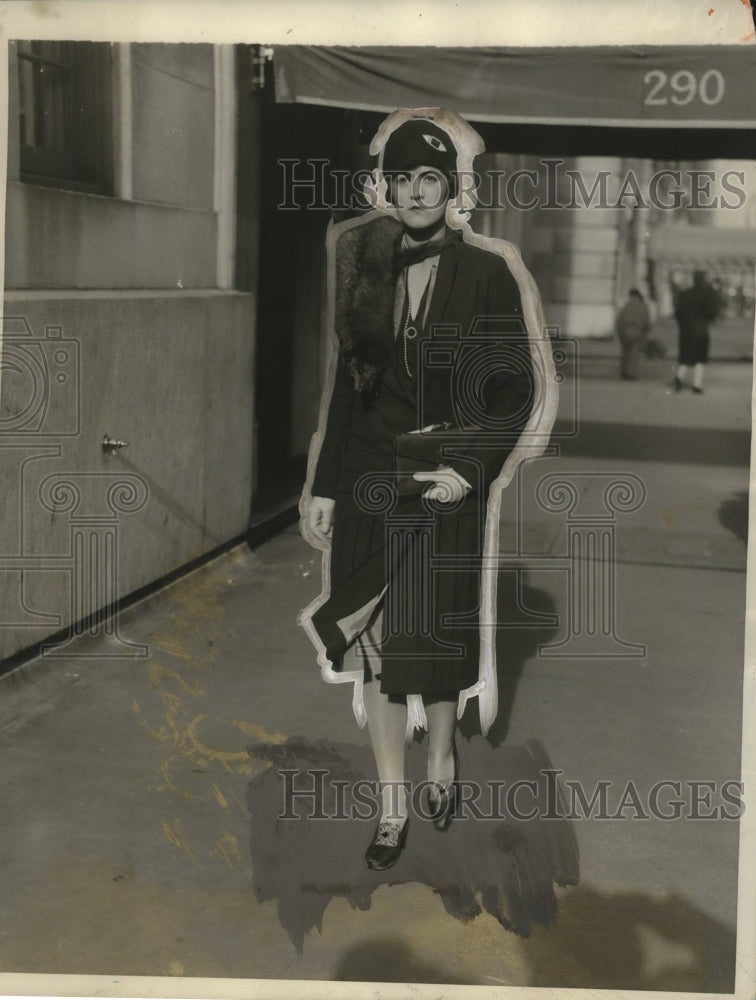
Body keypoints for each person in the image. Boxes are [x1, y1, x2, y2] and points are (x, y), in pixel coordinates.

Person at [298, 108, 556, 871]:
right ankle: (391, 806)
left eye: (429, 179)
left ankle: (440, 755)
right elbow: (347, 388)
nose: (414, 192)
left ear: (450, 189)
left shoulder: (488, 273)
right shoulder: (364, 261)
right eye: (402, 178)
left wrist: (468, 470)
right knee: (376, 646)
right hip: (371, 480)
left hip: (445, 481)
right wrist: (325, 486)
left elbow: (514, 390)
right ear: (387, 186)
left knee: (432, 637)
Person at [673, 270, 720, 394]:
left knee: (685, 355)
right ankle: (697, 384)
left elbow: (677, 313)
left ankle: (679, 377)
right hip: (701, 331)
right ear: (704, 279)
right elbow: (712, 313)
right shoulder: (708, 295)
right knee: (700, 358)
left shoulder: (685, 294)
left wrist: (683, 325)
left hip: (686, 331)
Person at [615, 288, 651, 380]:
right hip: (636, 330)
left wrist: (619, 333)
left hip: (624, 330)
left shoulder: (625, 306)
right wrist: (644, 334)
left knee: (625, 352)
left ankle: (623, 371)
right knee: (634, 353)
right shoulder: (643, 307)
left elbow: (619, 320)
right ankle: (631, 373)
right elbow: (646, 322)